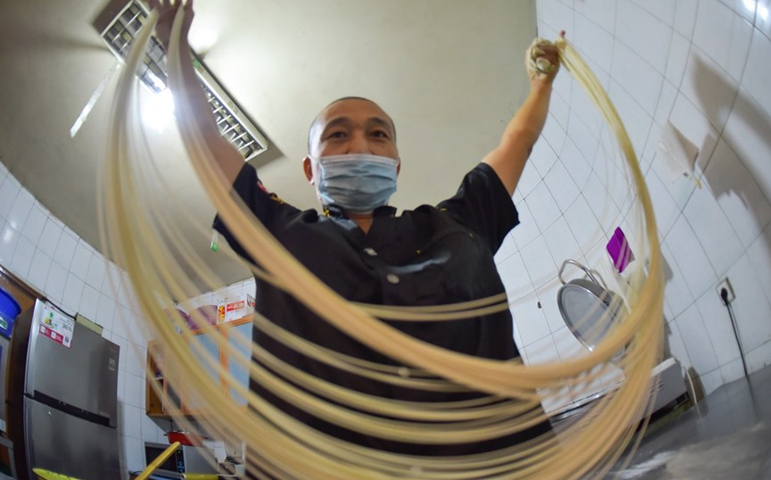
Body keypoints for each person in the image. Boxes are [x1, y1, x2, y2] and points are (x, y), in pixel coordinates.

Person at [150, 0, 561, 463]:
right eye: (338, 135)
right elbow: (204, 140)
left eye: (378, 135)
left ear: (396, 164)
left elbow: (517, 140)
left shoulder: (463, 221)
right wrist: (174, 49)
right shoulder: (275, 231)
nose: (360, 145)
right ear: (311, 169)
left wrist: (541, 83)